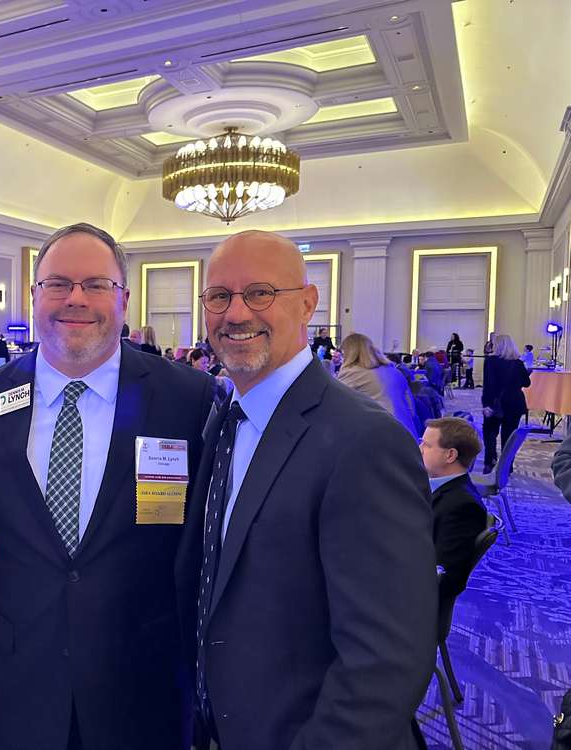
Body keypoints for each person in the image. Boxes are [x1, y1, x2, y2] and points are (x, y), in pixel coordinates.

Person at [0, 222, 214, 750]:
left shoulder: (187, 398)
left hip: (142, 685)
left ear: (123, 299)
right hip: (20, 683)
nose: (76, 298)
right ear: (34, 295)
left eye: (96, 284)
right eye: (58, 284)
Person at [178, 230, 436, 750]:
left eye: (260, 293)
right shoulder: (222, 421)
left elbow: (385, 662)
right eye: (219, 296)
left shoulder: (364, 441)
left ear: (308, 303)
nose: (235, 313)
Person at [418, 417, 489, 601]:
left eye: (426, 445)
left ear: (450, 455)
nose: (419, 449)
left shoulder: (463, 506)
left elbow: (445, 578)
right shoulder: (437, 487)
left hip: (409, 600)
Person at [337, 333, 419, 438]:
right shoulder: (394, 371)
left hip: (380, 435)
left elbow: (335, 404)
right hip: (408, 434)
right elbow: (411, 409)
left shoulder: (352, 373)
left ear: (349, 353)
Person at [481, 333, 531, 473]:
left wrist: (486, 404)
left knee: (490, 433)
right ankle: (507, 465)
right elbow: (526, 383)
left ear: (497, 346)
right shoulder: (518, 363)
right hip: (514, 403)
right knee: (509, 436)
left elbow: (488, 385)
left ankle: (490, 461)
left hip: (495, 403)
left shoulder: (490, 362)